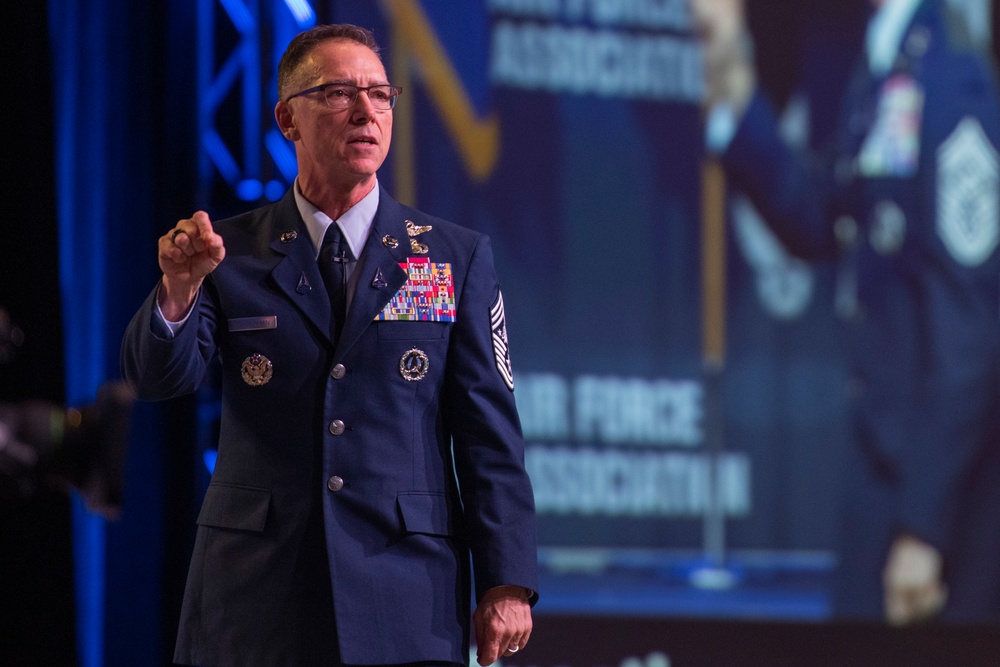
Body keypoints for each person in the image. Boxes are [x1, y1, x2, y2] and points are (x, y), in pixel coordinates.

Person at [121, 23, 538, 666]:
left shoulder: (454, 257)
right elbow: (159, 380)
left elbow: (489, 435)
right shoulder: (227, 256)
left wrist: (506, 582)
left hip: (406, 593)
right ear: (288, 119)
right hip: (255, 594)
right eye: (341, 92)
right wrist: (177, 292)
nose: (367, 110)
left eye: (381, 93)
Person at [691, 0, 1000, 625]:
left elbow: (970, 333)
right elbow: (822, 218)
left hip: (936, 495)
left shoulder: (950, 72)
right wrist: (729, 65)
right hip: (884, 464)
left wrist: (924, 529)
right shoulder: (892, 55)